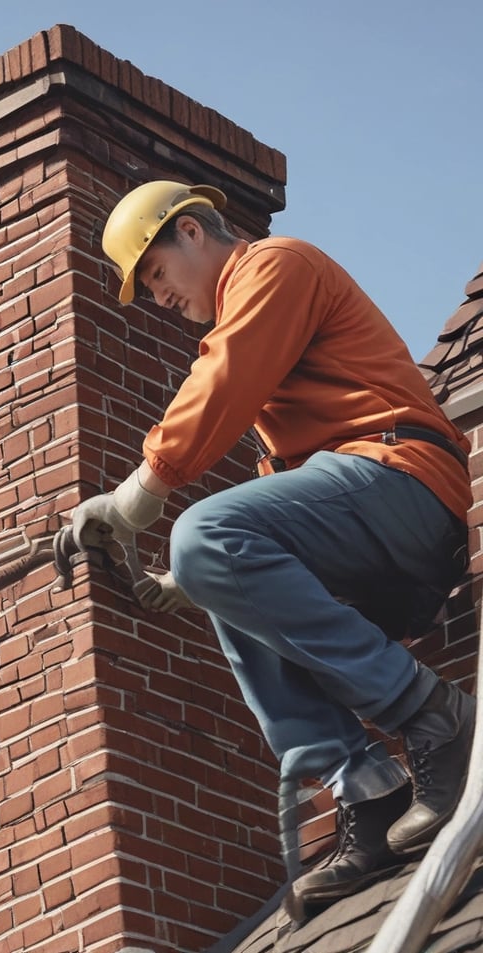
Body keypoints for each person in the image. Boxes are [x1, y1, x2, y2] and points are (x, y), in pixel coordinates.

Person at [70, 180, 476, 919]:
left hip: (406, 488)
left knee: (206, 534)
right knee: (219, 569)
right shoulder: (263, 326)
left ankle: (430, 712)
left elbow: (220, 376)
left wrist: (139, 495)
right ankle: (367, 790)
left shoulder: (276, 267)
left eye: (156, 272)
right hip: (369, 517)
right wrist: (190, 580)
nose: (158, 297)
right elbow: (281, 494)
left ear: (192, 230)